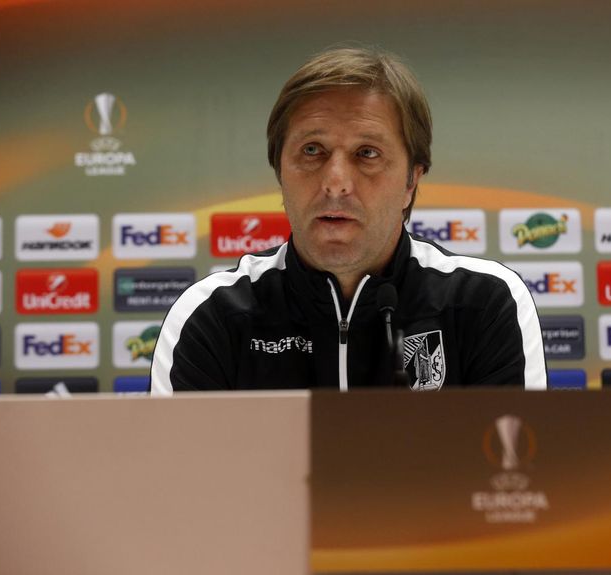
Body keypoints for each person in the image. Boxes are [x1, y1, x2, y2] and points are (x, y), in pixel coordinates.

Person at [150, 46, 545, 394]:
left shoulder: (483, 303)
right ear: (280, 173)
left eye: (367, 153)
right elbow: (182, 461)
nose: (336, 182)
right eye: (312, 150)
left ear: (411, 181)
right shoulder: (212, 317)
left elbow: (510, 455)